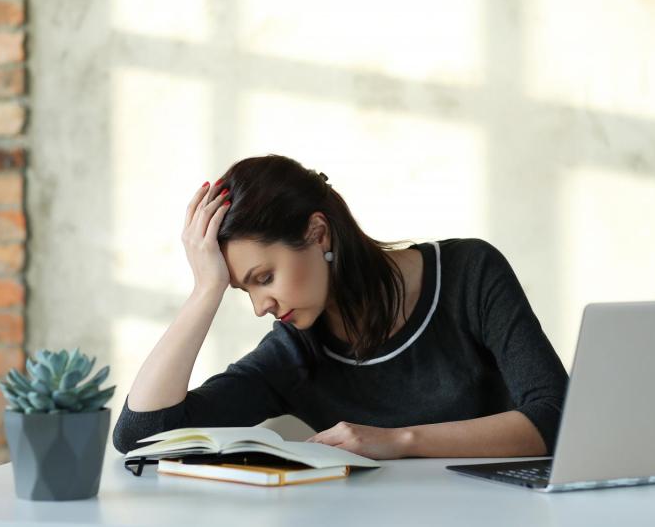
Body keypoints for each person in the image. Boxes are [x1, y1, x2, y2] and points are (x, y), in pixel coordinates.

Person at [112, 154, 569, 460]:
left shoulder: (470, 274)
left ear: (317, 233)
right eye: (241, 290)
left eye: (264, 278)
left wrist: (400, 441)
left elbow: (557, 416)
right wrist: (205, 291)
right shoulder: (294, 354)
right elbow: (142, 436)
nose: (260, 307)